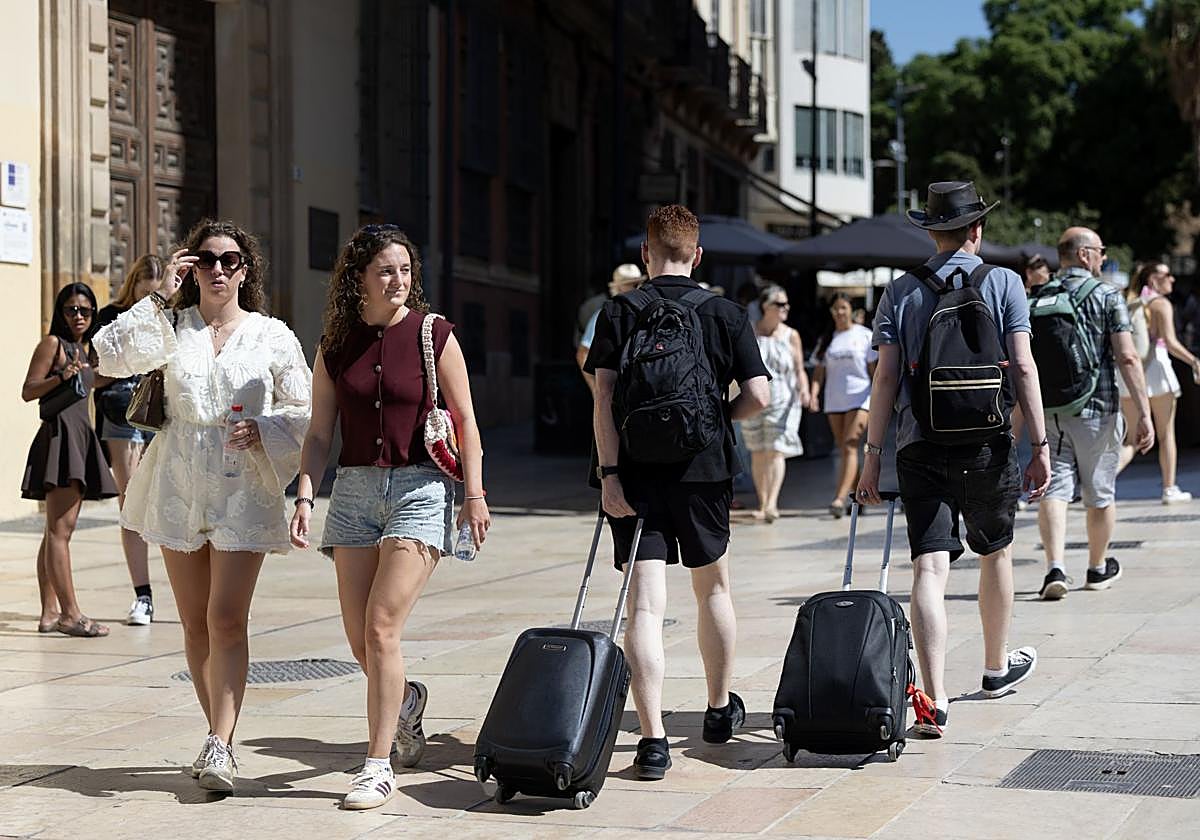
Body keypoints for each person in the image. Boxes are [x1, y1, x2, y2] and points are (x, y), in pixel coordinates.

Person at [95, 219, 312, 793]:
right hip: (176, 482)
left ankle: (221, 743)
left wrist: (265, 430)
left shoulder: (272, 335)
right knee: (193, 623)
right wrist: (161, 294)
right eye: (208, 259)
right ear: (193, 267)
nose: (219, 269)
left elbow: (306, 411)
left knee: (225, 617)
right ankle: (216, 736)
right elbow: (107, 356)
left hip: (243, 488)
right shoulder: (172, 326)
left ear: (247, 270)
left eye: (231, 260)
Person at [289, 225, 490, 810]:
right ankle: (405, 700)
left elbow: (466, 421)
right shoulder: (335, 344)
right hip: (352, 493)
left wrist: (473, 494)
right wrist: (305, 495)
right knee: (359, 638)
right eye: (385, 270)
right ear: (358, 278)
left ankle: (377, 765)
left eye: (405, 269)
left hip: (421, 490)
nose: (398, 280)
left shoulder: (435, 335)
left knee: (381, 626)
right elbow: (319, 433)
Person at [858, 181, 1052, 737]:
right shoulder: (1006, 283)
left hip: (920, 444)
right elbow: (1022, 366)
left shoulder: (900, 292)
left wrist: (872, 459)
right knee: (996, 552)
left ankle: (935, 700)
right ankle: (995, 667)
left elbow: (886, 378)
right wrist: (1038, 445)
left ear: (931, 231)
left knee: (929, 566)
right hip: (988, 443)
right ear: (976, 229)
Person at [584, 204, 770, 780]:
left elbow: (603, 401)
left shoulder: (619, 312)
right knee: (712, 589)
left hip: (635, 475)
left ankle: (653, 740)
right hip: (705, 473)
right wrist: (718, 418)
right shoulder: (724, 313)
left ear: (646, 251)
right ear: (698, 254)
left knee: (644, 604)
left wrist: (611, 475)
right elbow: (761, 396)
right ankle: (718, 711)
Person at [1036, 228, 1155, 601]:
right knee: (1099, 491)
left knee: (1055, 488)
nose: (1103, 258)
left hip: (1051, 408)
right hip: (1097, 407)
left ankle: (1055, 567)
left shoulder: (1039, 295)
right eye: (1101, 251)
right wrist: (1144, 412)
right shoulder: (1106, 295)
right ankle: (1097, 567)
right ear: (1085, 255)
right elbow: (1128, 356)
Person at [21, 282, 118, 637]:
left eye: (86, 311)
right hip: (60, 440)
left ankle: (49, 613)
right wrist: (61, 375)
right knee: (60, 532)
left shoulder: (85, 349)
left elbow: (95, 382)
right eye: (71, 310)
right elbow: (28, 390)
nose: (78, 316)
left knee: (55, 534)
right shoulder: (54, 346)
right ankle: (70, 614)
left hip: (79, 438)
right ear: (60, 313)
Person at [94, 254, 165, 626]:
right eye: (143, 296)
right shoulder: (111, 318)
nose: (149, 304)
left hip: (163, 415)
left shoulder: (174, 315)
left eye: (156, 296)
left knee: (172, 500)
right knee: (130, 503)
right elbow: (98, 372)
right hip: (122, 414)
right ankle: (143, 596)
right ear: (132, 288)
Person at [1116, 262, 1200, 502]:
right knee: (1166, 435)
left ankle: (1099, 484)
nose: (1172, 280)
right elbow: (1171, 343)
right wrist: (1194, 361)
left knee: (1130, 440)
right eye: (1167, 275)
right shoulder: (1161, 304)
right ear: (1153, 279)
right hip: (1158, 371)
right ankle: (1169, 488)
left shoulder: (1129, 300)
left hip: (1131, 373)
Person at [739, 284, 809, 522]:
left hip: (783, 400)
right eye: (780, 304)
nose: (785, 307)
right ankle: (762, 501)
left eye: (786, 303)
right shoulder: (750, 332)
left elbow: (799, 369)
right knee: (758, 452)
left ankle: (772, 503)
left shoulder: (791, 335)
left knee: (776, 451)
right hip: (754, 399)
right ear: (765, 306)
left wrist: (806, 390)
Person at [810, 292, 877, 518]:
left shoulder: (865, 335)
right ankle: (861, 496)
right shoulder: (827, 339)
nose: (840, 312)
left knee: (850, 444)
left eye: (843, 308)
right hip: (834, 399)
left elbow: (873, 370)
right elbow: (819, 372)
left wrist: (880, 398)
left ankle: (839, 498)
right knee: (845, 450)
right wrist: (813, 394)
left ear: (852, 311)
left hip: (860, 397)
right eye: (836, 308)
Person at [575, 263, 645, 395]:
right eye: (631, 284)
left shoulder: (645, 310)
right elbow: (583, 353)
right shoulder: (606, 314)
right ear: (618, 288)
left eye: (638, 283)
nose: (637, 287)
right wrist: (597, 391)